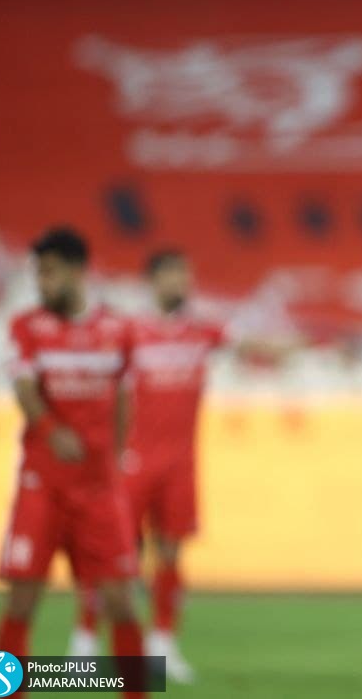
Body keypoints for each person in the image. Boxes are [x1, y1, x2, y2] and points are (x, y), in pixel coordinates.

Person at [68, 248, 291, 682]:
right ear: (153, 280)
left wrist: (306, 344)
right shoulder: (129, 331)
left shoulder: (202, 330)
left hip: (179, 465)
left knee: (171, 552)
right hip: (132, 462)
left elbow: (256, 345)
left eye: (186, 275)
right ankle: (85, 641)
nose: (182, 283)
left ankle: (163, 645)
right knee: (113, 554)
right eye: (173, 275)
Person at [0, 226, 146, 699]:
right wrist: (50, 430)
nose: (42, 283)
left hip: (98, 490)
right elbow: (24, 387)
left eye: (50, 272)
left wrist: (115, 459)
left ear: (78, 271)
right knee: (21, 599)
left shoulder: (117, 331)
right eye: (38, 273)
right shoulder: (27, 327)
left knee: (121, 601)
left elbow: (125, 399)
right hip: (41, 485)